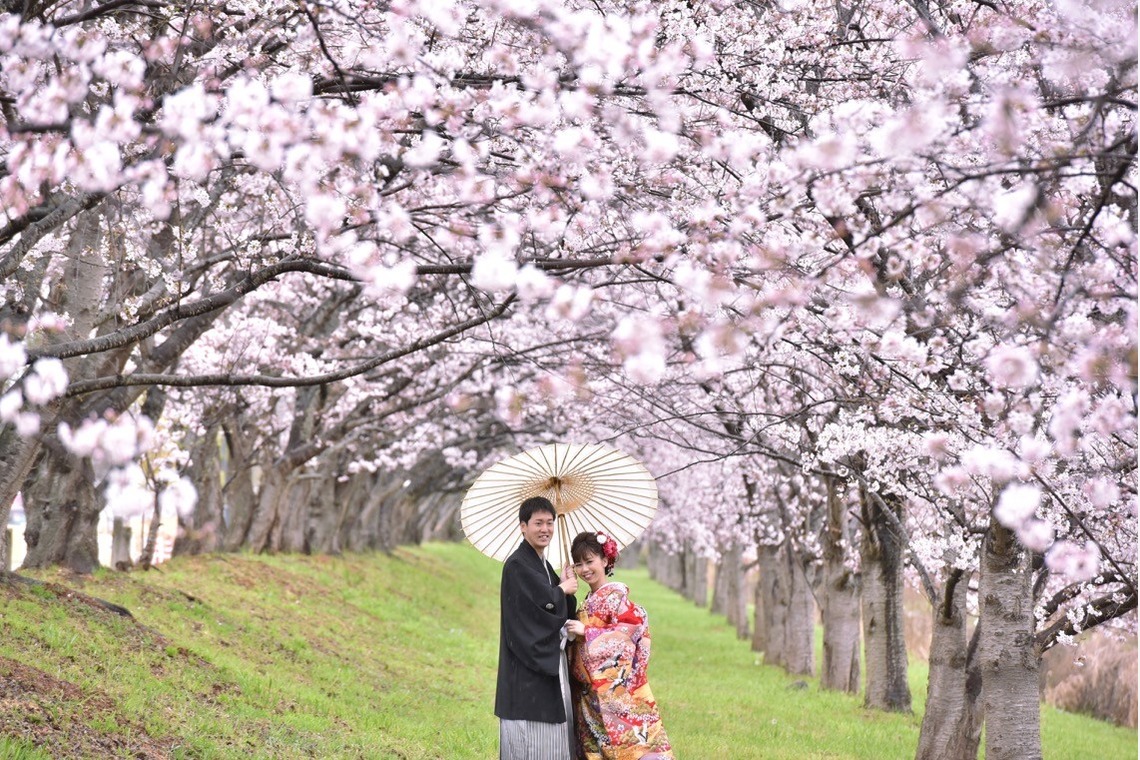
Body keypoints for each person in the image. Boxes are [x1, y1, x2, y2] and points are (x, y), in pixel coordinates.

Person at [565, 531, 673, 760]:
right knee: (598, 748)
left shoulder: (616, 597)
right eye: (579, 564)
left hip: (617, 691)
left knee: (631, 745)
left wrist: (588, 632)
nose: (585, 569)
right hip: (590, 693)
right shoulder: (588, 600)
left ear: (605, 560)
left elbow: (628, 636)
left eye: (590, 561)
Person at [496, 496, 579, 760]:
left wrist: (563, 589)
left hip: (545, 665)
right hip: (525, 668)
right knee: (530, 745)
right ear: (523, 526)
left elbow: (555, 606)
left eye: (550, 522)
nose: (545, 529)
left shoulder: (541, 564)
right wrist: (560, 592)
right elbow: (532, 615)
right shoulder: (517, 565)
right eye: (538, 523)